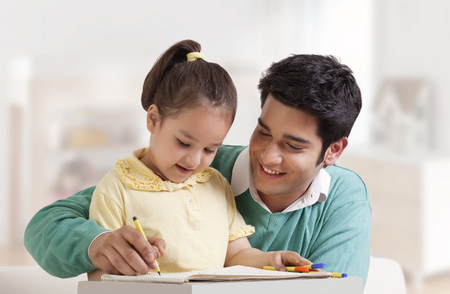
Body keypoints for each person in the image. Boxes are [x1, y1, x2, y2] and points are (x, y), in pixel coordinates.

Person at [24, 53, 371, 284]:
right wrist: (96, 243)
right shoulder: (195, 171)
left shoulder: (344, 198)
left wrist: (272, 264)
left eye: (293, 146)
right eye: (263, 132)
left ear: (333, 150)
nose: (267, 156)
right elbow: (45, 225)